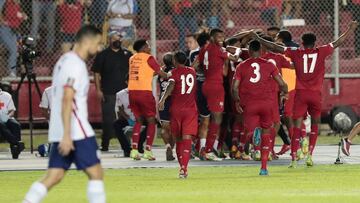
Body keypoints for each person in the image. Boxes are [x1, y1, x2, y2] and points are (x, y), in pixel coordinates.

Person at [255, 21, 358, 168]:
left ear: (302, 43)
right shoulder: (321, 51)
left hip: (301, 94)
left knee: (296, 125)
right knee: (315, 123)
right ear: (315, 43)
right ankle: (310, 155)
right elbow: (338, 42)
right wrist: (350, 28)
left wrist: (258, 38)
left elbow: (275, 47)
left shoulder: (296, 52)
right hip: (315, 94)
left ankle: (293, 158)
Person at [23, 25, 105, 203]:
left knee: (54, 175)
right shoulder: (75, 64)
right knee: (96, 173)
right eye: (98, 43)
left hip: (60, 129)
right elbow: (67, 99)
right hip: (75, 129)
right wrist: (67, 135)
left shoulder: (63, 61)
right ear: (88, 41)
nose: (99, 48)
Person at [232, 40, 288, 176]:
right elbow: (282, 83)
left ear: (250, 51)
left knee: (249, 130)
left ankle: (252, 136)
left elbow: (234, 87)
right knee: (266, 134)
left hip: (250, 104)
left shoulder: (241, 66)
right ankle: (263, 168)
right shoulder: (269, 65)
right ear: (261, 51)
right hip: (267, 104)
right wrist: (284, 93)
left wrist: (237, 101)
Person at [197, 28, 237, 161]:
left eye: (222, 36)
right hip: (215, 86)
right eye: (218, 36)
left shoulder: (204, 49)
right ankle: (207, 150)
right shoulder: (220, 50)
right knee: (217, 119)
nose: (221, 38)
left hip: (205, 85)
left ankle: (203, 148)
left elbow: (198, 65)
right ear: (212, 37)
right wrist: (236, 50)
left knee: (206, 119)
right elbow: (235, 58)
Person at [128, 39, 169, 161]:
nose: (150, 47)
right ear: (143, 48)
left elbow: (145, 73)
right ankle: (148, 151)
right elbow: (163, 74)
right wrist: (171, 73)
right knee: (151, 121)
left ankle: (134, 150)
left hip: (132, 91)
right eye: (148, 46)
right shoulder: (149, 58)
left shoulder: (132, 58)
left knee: (138, 120)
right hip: (144, 92)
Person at [159, 51, 198, 179]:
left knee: (178, 139)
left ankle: (182, 167)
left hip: (176, 109)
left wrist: (163, 99)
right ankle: (184, 169)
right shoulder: (192, 71)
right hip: (190, 110)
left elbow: (171, 84)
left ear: (175, 61)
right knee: (187, 138)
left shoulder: (173, 73)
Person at [92, 31, 132, 152]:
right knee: (108, 120)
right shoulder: (102, 55)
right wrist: (98, 90)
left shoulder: (127, 54)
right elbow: (96, 73)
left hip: (125, 93)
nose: (118, 41)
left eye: (119, 39)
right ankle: (105, 145)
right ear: (109, 40)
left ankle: (127, 145)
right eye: (115, 39)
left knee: (126, 119)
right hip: (108, 91)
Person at [260, 35, 293, 160]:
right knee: (276, 122)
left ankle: (259, 150)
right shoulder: (278, 58)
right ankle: (269, 149)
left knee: (263, 123)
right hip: (274, 94)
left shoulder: (258, 58)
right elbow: (292, 65)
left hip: (261, 94)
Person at [114, 79, 146, 157]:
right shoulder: (120, 94)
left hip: (139, 118)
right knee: (116, 125)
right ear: (126, 82)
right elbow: (120, 108)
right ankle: (127, 149)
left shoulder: (142, 92)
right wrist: (128, 119)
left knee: (151, 123)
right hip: (127, 118)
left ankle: (139, 145)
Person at [0, 0, 27, 77]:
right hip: (4, 29)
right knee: (13, 49)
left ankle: (16, 71)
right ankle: (12, 72)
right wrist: (3, 22)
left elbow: (21, 18)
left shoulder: (17, 5)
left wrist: (21, 15)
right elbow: (4, 15)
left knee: (19, 48)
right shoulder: (5, 2)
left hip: (14, 30)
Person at [158, 53, 176, 161]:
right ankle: (172, 149)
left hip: (163, 101)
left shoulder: (161, 73)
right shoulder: (175, 72)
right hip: (174, 101)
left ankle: (167, 146)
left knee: (165, 128)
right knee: (174, 128)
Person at [0, 87, 24, 159]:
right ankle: (17, 144)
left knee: (15, 125)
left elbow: (12, 110)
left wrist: (7, 117)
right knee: (1, 125)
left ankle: (15, 151)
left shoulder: (6, 95)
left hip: (6, 118)